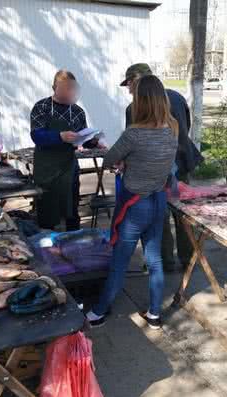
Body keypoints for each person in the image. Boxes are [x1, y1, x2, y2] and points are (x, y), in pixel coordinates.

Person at [86, 75, 179, 329]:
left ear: (141, 102)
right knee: (155, 259)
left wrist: (122, 161)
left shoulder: (133, 133)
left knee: (119, 261)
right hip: (159, 200)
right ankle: (155, 313)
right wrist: (131, 161)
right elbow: (157, 160)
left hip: (135, 206)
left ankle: (98, 312)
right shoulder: (172, 128)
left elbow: (108, 159)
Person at [121, 63, 204, 272]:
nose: (129, 90)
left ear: (135, 81)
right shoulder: (176, 96)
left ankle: (165, 262)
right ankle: (188, 261)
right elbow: (186, 126)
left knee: (159, 215)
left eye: (128, 85)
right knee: (183, 214)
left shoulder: (135, 107)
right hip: (181, 162)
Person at [29, 70, 99, 231]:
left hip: (69, 167)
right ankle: (47, 243)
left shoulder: (77, 112)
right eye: (66, 88)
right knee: (47, 208)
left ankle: (73, 242)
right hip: (46, 168)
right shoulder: (42, 107)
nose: (70, 92)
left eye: (72, 89)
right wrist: (60, 136)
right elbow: (36, 136)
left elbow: (83, 138)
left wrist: (94, 141)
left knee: (71, 208)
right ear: (55, 87)